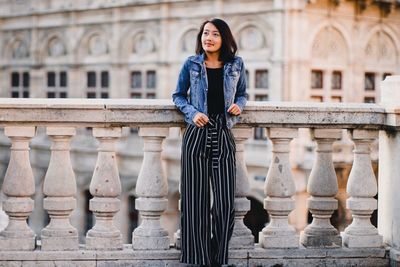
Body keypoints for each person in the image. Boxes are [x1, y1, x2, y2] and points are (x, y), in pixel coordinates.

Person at [172, 18, 247, 267]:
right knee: (196, 202)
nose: (209, 38)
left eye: (215, 34)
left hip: (223, 133)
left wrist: (239, 105)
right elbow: (178, 95)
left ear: (224, 38)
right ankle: (198, 259)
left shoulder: (236, 64)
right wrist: (193, 114)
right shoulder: (191, 64)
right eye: (205, 33)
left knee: (225, 205)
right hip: (196, 134)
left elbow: (243, 93)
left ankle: (216, 257)